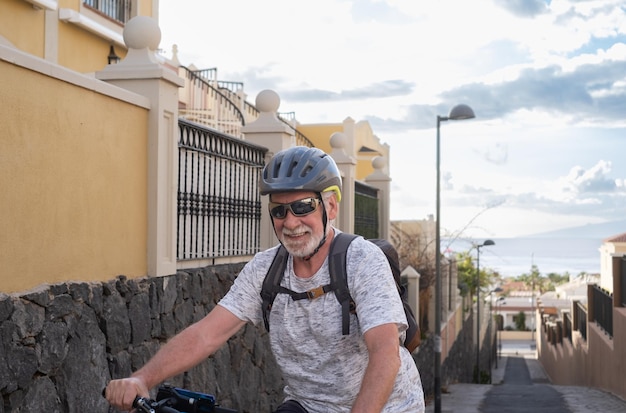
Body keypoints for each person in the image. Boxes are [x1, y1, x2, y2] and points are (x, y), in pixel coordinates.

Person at [105, 146, 425, 413]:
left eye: (302, 207)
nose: (291, 222)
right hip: (306, 406)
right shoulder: (266, 270)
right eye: (279, 211)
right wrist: (142, 379)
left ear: (330, 206)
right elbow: (206, 334)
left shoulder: (360, 260)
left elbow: (385, 354)